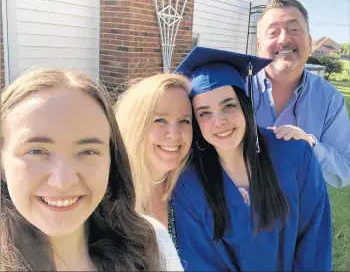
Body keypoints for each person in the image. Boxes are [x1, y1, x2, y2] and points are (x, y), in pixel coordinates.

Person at [1, 68, 183, 271]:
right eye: (36, 151)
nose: (63, 181)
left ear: (111, 159)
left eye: (87, 151)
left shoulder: (153, 245)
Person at [172, 46, 332, 271]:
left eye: (228, 105)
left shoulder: (295, 154)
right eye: (204, 113)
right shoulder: (188, 182)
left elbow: (314, 241)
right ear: (196, 121)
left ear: (245, 105)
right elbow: (200, 260)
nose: (219, 122)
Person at [252, 0, 350, 188]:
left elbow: (345, 170)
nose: (284, 39)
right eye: (273, 33)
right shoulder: (235, 89)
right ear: (259, 46)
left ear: (310, 41)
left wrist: (310, 145)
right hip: (237, 211)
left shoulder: (330, 99)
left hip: (302, 213)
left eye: (294, 29)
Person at [115, 73, 192, 249]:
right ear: (136, 124)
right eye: (160, 120)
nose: (174, 134)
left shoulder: (186, 192)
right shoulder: (109, 196)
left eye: (184, 121)